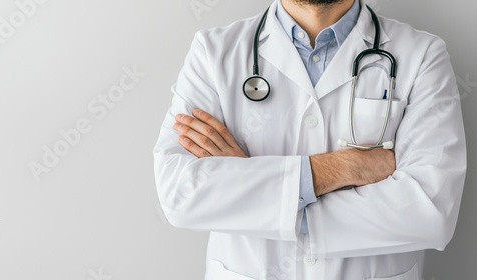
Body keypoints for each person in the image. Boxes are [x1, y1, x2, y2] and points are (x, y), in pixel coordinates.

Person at [154, 0, 467, 279]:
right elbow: (181, 194)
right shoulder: (213, 51)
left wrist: (252, 190)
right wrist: (342, 168)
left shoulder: (422, 54)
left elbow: (430, 211)